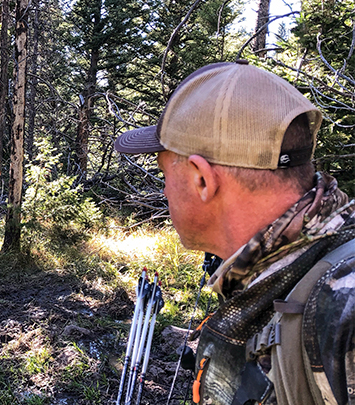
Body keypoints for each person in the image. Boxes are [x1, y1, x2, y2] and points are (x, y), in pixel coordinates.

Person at [114, 60, 355, 405]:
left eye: (164, 172)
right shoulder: (285, 275)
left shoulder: (344, 310)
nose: (165, 190)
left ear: (201, 179)